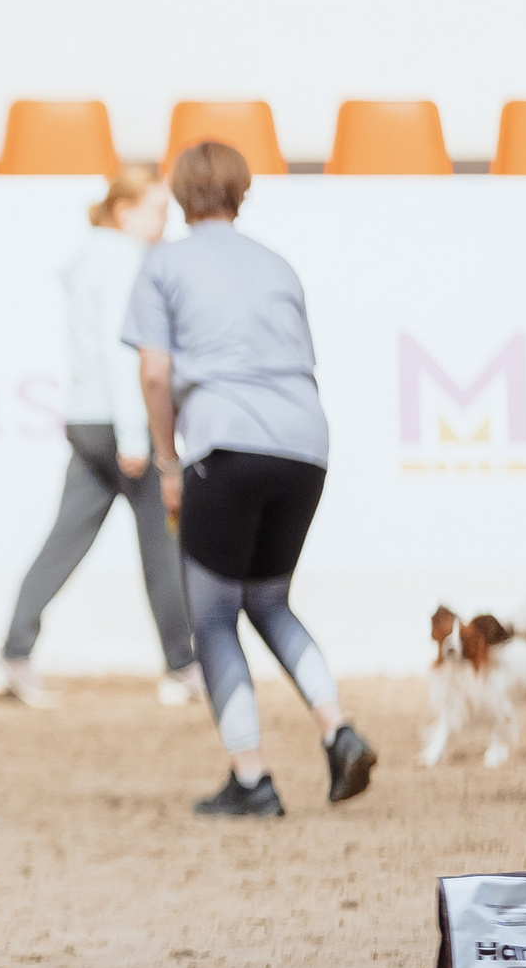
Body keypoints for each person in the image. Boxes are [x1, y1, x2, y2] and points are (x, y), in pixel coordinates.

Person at [123, 140, 375, 817]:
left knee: (211, 616)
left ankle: (251, 778)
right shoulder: (278, 265)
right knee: (269, 602)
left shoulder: (164, 263)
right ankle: (337, 728)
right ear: (243, 191)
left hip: (225, 443)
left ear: (178, 194)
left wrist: (168, 460)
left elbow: (153, 373)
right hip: (304, 445)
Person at [0, 165, 198, 709]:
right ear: (125, 212)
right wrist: (136, 435)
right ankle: (183, 667)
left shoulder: (90, 260)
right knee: (163, 544)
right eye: (156, 210)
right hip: (124, 424)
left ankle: (12, 654)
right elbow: (122, 352)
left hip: (86, 418)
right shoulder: (125, 262)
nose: (165, 221)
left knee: (64, 542)